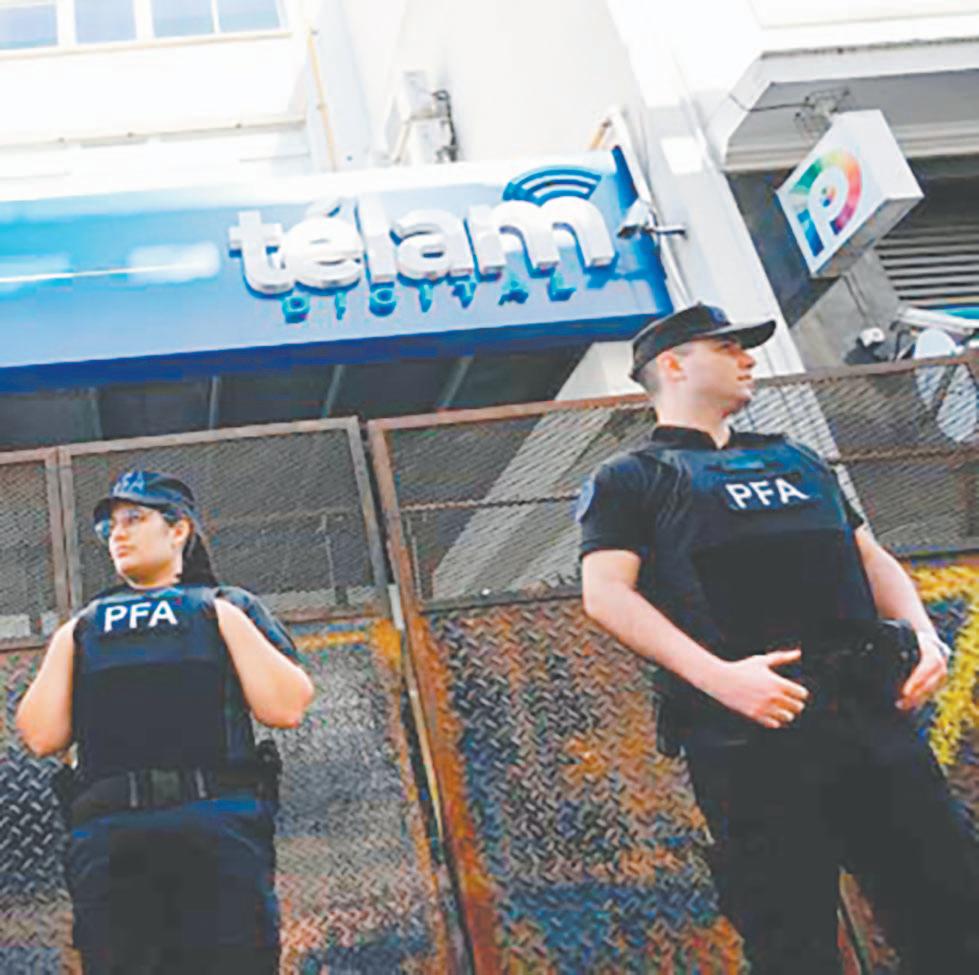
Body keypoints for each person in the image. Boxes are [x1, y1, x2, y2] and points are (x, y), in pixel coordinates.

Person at [577, 303, 979, 974]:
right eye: (727, 347)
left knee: (953, 912)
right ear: (672, 364)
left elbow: (868, 555)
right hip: (752, 738)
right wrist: (720, 678)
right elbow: (606, 594)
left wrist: (924, 635)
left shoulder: (797, 458)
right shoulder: (630, 478)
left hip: (872, 718)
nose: (748, 358)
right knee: (792, 943)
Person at [16, 470, 315, 975]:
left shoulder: (227, 607)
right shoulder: (84, 626)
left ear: (178, 530)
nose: (118, 534)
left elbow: (285, 709)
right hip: (116, 843)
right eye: (110, 526)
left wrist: (220, 615)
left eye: (135, 518)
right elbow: (42, 736)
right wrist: (66, 639)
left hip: (213, 830)